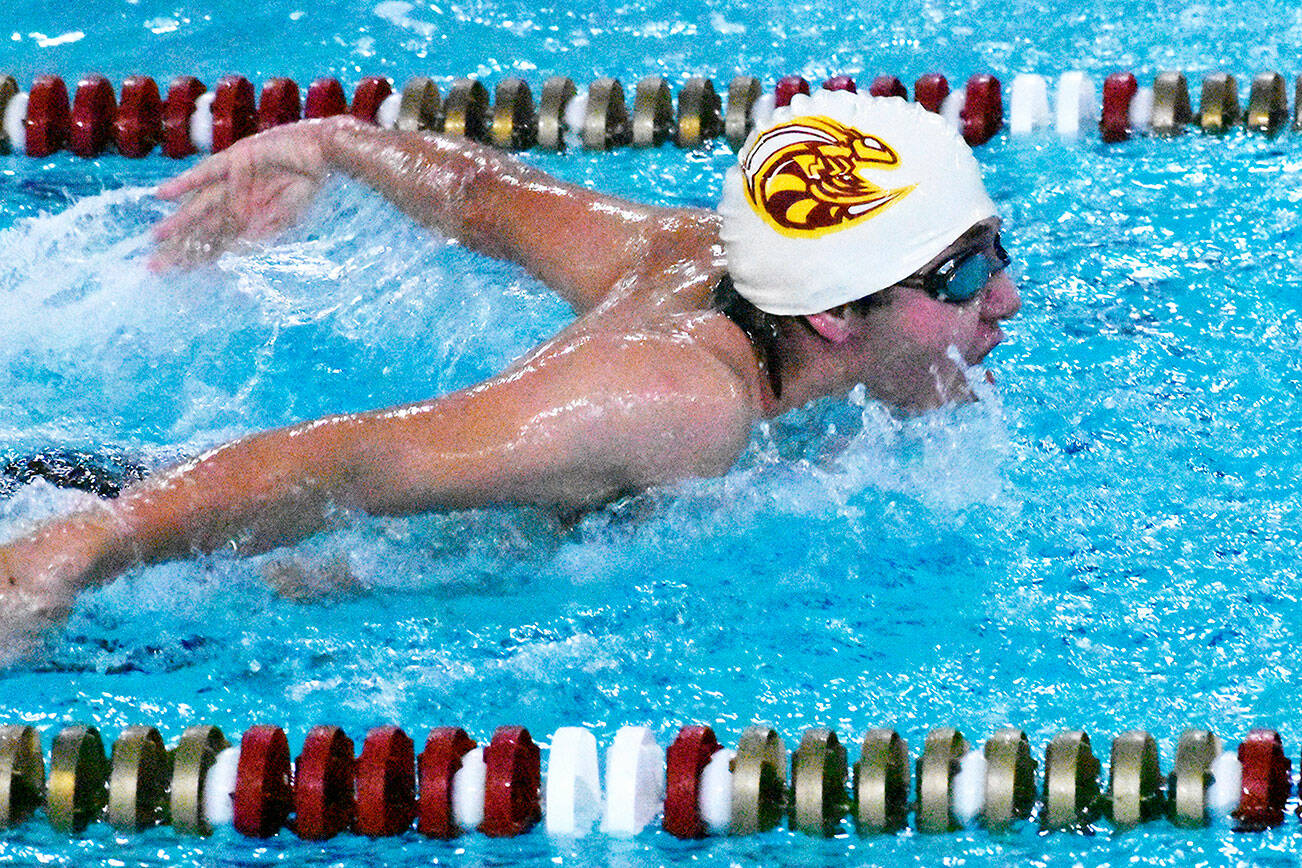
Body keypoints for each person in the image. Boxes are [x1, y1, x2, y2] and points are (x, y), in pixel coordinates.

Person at [0, 89, 1020, 655]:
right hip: (196, 571)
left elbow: (486, 195)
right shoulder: (677, 405)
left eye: (995, 250)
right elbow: (358, 461)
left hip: (145, 475)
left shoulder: (700, 256)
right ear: (836, 313)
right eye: (962, 274)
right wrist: (92, 544)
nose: (1005, 300)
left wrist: (331, 142)